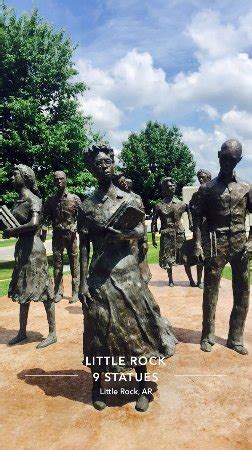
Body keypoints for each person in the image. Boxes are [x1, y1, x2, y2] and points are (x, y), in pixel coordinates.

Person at [78, 144, 177, 412]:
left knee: (137, 330)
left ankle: (143, 386)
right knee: (99, 332)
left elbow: (140, 231)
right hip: (99, 277)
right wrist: (81, 281)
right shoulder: (86, 206)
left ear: (114, 162)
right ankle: (98, 386)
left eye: (108, 161)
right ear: (91, 169)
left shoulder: (130, 199)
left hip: (129, 274)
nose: (105, 166)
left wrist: (119, 235)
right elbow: (84, 245)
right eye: (98, 163)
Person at [193, 139, 252, 355]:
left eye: (233, 160)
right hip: (215, 243)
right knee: (210, 290)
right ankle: (207, 335)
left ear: (239, 160)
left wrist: (251, 242)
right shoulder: (207, 189)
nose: (228, 163)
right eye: (225, 158)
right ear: (219, 156)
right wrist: (198, 244)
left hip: (240, 244)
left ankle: (235, 337)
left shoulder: (246, 188)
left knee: (243, 290)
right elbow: (197, 218)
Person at [3, 165, 56, 348]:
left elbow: (34, 224)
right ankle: (22, 332)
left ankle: (52, 332)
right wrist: (9, 232)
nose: (11, 177)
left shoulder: (35, 200)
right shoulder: (17, 202)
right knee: (22, 289)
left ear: (25, 177)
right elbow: (17, 226)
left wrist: (12, 230)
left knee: (44, 290)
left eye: (14, 174)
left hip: (34, 250)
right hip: (22, 248)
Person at [41, 171, 81, 303]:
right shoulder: (51, 200)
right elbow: (44, 218)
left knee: (74, 264)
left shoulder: (75, 198)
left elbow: (83, 217)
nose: (59, 181)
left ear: (66, 179)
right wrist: (44, 229)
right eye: (56, 179)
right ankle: (59, 291)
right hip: (57, 236)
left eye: (61, 179)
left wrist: (76, 225)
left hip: (71, 236)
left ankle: (75, 292)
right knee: (57, 265)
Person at [151, 177, 196, 287]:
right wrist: (153, 236)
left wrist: (191, 223)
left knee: (184, 257)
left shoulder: (181, 203)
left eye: (173, 185)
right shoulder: (159, 205)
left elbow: (189, 210)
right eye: (170, 186)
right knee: (168, 258)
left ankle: (191, 280)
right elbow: (153, 221)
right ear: (165, 188)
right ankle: (170, 280)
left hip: (179, 233)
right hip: (166, 234)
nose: (173, 187)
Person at [113, 174, 151, 283]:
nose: (125, 185)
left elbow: (142, 219)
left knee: (141, 264)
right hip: (122, 238)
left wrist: (144, 240)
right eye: (122, 183)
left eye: (126, 182)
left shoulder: (137, 198)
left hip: (137, 236)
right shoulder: (115, 198)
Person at [189, 169, 212, 288]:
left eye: (203, 177)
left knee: (213, 256)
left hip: (212, 228)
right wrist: (192, 219)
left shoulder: (214, 192)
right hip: (200, 228)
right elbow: (190, 205)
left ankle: (212, 280)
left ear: (209, 178)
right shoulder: (197, 194)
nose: (200, 179)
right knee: (200, 256)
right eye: (199, 178)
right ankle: (199, 281)